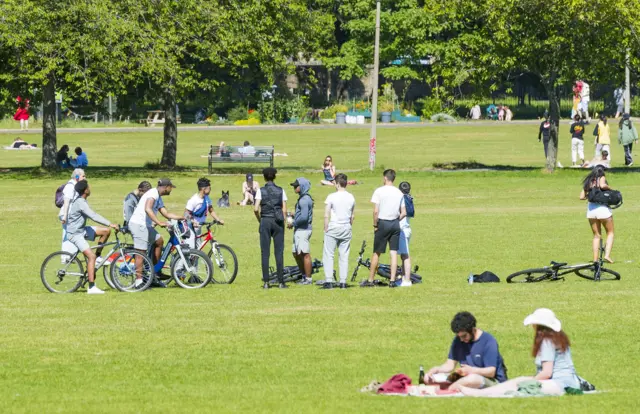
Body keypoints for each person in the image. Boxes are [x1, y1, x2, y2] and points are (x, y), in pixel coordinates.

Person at [459, 309, 579, 397]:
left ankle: (481, 394)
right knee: (518, 380)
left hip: (560, 384)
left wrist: (531, 380)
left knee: (520, 387)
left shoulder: (547, 341)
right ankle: (482, 393)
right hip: (565, 381)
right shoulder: (557, 338)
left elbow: (547, 373)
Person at [426, 312, 508, 391]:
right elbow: (449, 365)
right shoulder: (458, 340)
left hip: (492, 381)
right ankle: (449, 387)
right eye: (459, 336)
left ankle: (448, 390)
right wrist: (436, 370)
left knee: (471, 379)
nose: (461, 339)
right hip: (465, 376)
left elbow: (491, 372)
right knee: (430, 379)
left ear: (472, 330)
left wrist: (472, 370)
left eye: (464, 336)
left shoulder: (488, 341)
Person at [128, 178, 185, 288]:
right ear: (166, 187)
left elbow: (166, 214)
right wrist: (159, 222)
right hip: (138, 225)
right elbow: (148, 209)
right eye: (170, 188)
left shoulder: (158, 196)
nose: (171, 190)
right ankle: (139, 281)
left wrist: (183, 218)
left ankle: (154, 274)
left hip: (146, 226)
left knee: (159, 241)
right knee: (141, 252)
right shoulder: (153, 194)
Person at [66, 180, 119, 294]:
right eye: (88, 187)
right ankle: (91, 287)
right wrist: (110, 223)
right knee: (91, 257)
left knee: (106, 231)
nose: (90, 188)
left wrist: (108, 226)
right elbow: (93, 216)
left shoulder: (82, 200)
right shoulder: (80, 202)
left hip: (82, 230)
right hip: (75, 234)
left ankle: (98, 256)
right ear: (85, 190)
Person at [363, 169, 406, 288]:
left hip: (383, 223)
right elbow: (404, 212)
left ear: (385, 178)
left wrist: (375, 225)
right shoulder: (399, 192)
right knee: (393, 252)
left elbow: (376, 211)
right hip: (395, 223)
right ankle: (392, 280)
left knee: (377, 252)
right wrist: (397, 219)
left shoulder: (379, 191)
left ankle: (371, 279)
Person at [254, 167, 288, 289]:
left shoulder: (260, 191)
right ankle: (280, 281)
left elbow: (256, 208)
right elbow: (284, 210)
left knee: (265, 252)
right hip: (278, 221)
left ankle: (266, 282)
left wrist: (260, 219)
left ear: (264, 177)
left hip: (265, 220)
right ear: (274, 177)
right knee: (279, 252)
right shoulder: (281, 190)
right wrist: (283, 221)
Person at [322, 173, 355, 289]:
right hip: (346, 227)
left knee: (329, 254)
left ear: (336, 184)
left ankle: (329, 280)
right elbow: (352, 216)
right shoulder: (351, 197)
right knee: (344, 255)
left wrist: (325, 227)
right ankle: (343, 281)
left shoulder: (331, 196)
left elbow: (326, 214)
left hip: (334, 226)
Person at [580, 166, 614, 263]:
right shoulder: (601, 177)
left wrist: (590, 195)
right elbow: (603, 186)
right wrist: (610, 188)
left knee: (596, 236)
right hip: (602, 209)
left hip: (591, 211)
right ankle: (607, 256)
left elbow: (581, 197)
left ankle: (595, 259)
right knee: (610, 233)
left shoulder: (588, 181)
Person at [184, 177, 224, 248]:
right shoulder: (194, 200)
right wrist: (192, 221)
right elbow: (186, 213)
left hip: (199, 226)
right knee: (192, 248)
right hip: (191, 227)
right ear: (204, 189)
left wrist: (218, 219)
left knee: (198, 248)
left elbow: (211, 210)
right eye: (209, 188)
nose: (210, 190)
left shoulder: (207, 198)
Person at [289, 178, 313, 285]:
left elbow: (304, 217)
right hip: (299, 229)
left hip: (303, 229)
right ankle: (303, 276)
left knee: (304, 253)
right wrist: (295, 214)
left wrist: (293, 223)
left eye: (296, 186)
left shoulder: (304, 200)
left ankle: (308, 278)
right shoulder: (303, 198)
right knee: (296, 253)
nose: (294, 187)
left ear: (302, 186)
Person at [59, 168, 86, 253]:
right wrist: (65, 216)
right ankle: (66, 256)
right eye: (83, 176)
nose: (85, 178)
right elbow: (66, 201)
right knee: (67, 234)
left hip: (70, 214)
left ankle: (69, 254)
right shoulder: (70, 186)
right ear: (77, 176)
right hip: (67, 214)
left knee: (69, 234)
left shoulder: (75, 185)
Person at [397, 182, 413, 287]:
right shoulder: (409, 198)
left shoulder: (401, 199)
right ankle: (403, 277)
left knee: (406, 255)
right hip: (407, 229)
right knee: (403, 256)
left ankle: (407, 280)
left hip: (403, 230)